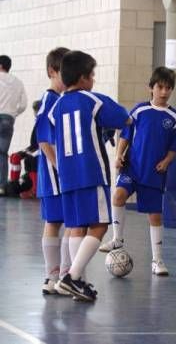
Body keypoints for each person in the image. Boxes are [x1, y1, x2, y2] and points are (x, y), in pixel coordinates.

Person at [51, 51, 131, 302]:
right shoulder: (93, 101)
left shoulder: (57, 106)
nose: (94, 80)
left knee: (77, 226)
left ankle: (80, 282)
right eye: (92, 75)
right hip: (90, 172)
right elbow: (124, 118)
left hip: (67, 175)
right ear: (84, 77)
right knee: (99, 225)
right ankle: (72, 277)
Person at [99, 67, 176, 277]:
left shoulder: (174, 117)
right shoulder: (139, 111)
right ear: (151, 88)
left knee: (155, 216)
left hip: (154, 173)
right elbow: (125, 136)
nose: (164, 92)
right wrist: (119, 155)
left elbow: (175, 147)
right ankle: (117, 238)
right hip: (132, 168)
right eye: (160, 87)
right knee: (118, 195)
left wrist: (166, 161)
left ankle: (157, 260)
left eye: (168, 88)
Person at [36, 48, 72, 296]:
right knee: (55, 221)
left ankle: (63, 274)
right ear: (52, 72)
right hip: (53, 173)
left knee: (67, 220)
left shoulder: (63, 100)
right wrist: (58, 166)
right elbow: (43, 140)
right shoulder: (49, 100)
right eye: (64, 73)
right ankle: (53, 275)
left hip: (62, 171)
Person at [0, 55, 27, 195]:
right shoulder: (18, 82)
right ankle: (2, 186)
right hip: (8, 120)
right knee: (3, 153)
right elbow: (23, 104)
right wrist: (13, 114)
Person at [7, 100, 41, 199]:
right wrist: (25, 151)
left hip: (42, 149)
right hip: (34, 147)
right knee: (15, 157)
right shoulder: (37, 122)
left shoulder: (45, 121)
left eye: (37, 110)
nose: (36, 112)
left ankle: (36, 190)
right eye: (35, 110)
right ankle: (14, 184)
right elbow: (33, 144)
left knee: (30, 159)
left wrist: (30, 152)